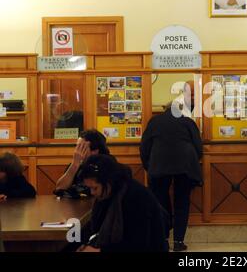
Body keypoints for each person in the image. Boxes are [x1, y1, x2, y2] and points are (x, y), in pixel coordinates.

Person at [140, 102, 203, 252]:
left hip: (159, 164)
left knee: (161, 201)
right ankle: (179, 242)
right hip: (185, 165)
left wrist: (148, 166)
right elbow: (198, 147)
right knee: (182, 201)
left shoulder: (154, 122)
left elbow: (144, 147)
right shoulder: (188, 122)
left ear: (165, 109)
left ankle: (163, 239)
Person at [77, 154, 167, 252]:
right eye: (89, 188)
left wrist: (99, 251)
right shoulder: (109, 193)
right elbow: (95, 229)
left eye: (95, 188)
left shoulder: (135, 196)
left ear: (108, 181)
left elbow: (137, 244)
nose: (92, 193)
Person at [55, 129, 110, 196]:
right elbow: (59, 188)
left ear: (95, 151)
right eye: (77, 146)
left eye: (81, 147)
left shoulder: (107, 166)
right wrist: (75, 164)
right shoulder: (77, 164)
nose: (76, 151)